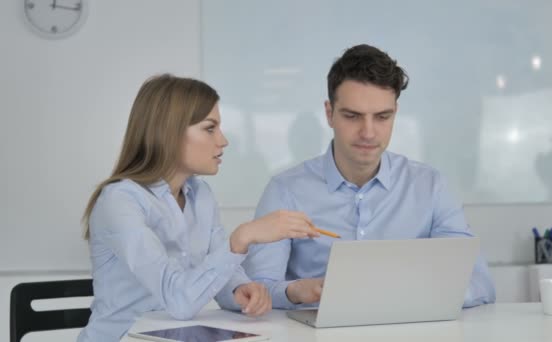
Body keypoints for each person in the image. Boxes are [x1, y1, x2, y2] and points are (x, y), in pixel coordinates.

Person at [243, 44, 496, 309]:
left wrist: (412, 294)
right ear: (330, 114)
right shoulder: (286, 191)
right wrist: (295, 291)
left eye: (382, 117)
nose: (368, 132)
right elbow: (257, 288)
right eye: (353, 116)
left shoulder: (430, 187)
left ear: (395, 113)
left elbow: (478, 283)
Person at [77, 74, 319, 341]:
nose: (223, 140)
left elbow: (220, 279)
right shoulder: (120, 201)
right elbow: (179, 300)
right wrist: (242, 238)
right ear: (169, 132)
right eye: (209, 128)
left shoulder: (200, 195)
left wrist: (241, 290)